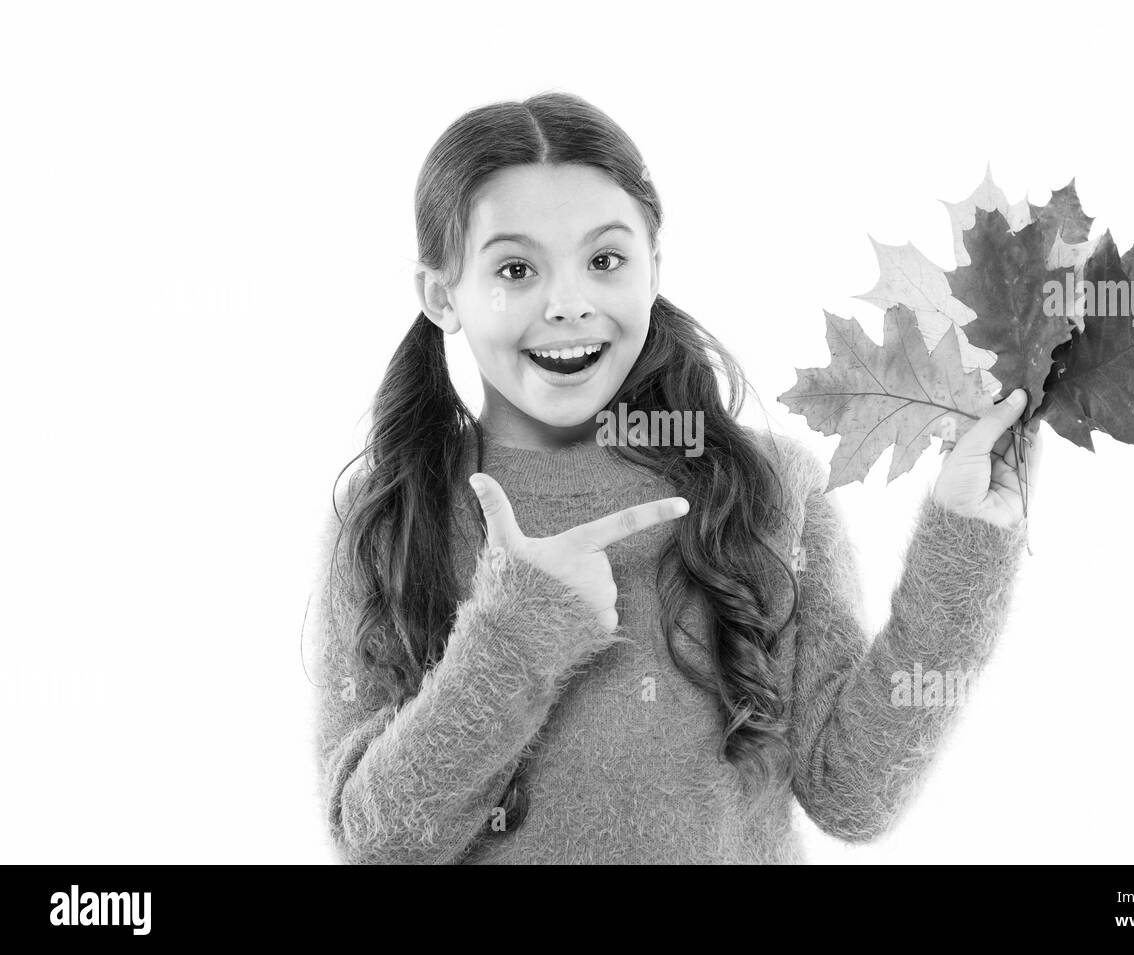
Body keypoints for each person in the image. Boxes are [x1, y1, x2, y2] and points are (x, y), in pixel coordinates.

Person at [306, 91, 1042, 865]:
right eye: (516, 269)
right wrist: (517, 631)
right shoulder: (392, 517)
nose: (568, 303)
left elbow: (852, 794)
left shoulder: (764, 491)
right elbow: (377, 842)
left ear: (653, 264)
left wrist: (965, 549)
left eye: (604, 260)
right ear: (441, 295)